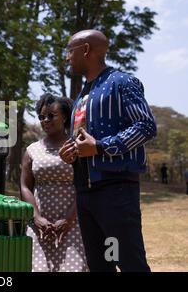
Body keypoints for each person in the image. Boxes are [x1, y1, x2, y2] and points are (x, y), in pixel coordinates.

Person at [59, 29, 156, 272]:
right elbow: (85, 144)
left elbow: (146, 126)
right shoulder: (82, 95)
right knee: (99, 265)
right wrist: (71, 153)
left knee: (130, 262)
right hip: (85, 191)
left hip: (115, 190)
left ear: (86, 50)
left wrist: (101, 147)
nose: (67, 57)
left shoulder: (122, 82)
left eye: (70, 51)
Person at [21, 93, 88, 272]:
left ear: (65, 117)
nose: (46, 120)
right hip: (41, 228)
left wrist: (68, 219)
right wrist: (36, 218)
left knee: (74, 268)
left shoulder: (77, 147)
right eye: (42, 117)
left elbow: (84, 185)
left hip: (73, 224)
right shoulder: (32, 150)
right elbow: (25, 186)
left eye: (51, 115)